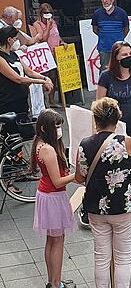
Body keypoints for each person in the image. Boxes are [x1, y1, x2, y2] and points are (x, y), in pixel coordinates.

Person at [75, 97, 131, 288]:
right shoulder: (126, 142)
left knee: (101, 258)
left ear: (95, 120)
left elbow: (80, 178)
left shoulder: (84, 144)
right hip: (124, 206)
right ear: (117, 119)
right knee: (123, 258)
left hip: (96, 208)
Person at [30, 109, 76, 288]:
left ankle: (52, 281)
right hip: (53, 198)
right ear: (45, 128)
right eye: (56, 127)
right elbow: (57, 182)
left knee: (51, 240)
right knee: (57, 240)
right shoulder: (48, 149)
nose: (59, 130)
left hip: (45, 196)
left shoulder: (39, 144)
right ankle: (57, 284)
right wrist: (77, 175)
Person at [0, 26, 53, 118]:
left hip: (21, 98)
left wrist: (45, 78)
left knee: (25, 127)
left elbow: (29, 72)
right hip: (8, 101)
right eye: (15, 39)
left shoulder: (13, 54)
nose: (16, 41)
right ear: (9, 40)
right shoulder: (1, 58)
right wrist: (42, 82)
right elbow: (18, 78)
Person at [30, 3, 66, 106]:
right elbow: (43, 39)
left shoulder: (53, 22)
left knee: (53, 76)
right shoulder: (37, 24)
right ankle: (43, 101)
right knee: (45, 77)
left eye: (50, 13)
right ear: (41, 13)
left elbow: (57, 36)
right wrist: (48, 26)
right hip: (44, 54)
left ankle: (52, 100)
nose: (48, 15)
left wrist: (62, 42)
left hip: (55, 53)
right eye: (45, 13)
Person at [91, 0, 129, 71]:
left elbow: (126, 29)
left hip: (119, 48)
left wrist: (119, 38)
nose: (104, 1)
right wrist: (104, 36)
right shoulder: (97, 14)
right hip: (104, 48)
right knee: (104, 69)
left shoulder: (121, 13)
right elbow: (95, 29)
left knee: (120, 68)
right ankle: (104, 84)